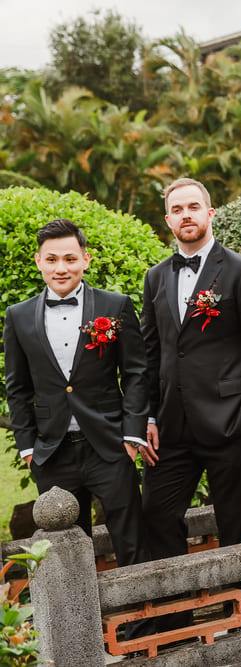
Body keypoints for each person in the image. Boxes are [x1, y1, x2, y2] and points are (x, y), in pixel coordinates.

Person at [140, 177, 241, 561]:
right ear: (168, 220)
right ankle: (181, 595)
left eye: (193, 207)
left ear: (210, 213)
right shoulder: (155, 277)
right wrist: (146, 415)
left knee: (234, 523)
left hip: (229, 420)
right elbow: (150, 353)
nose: (186, 215)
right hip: (170, 427)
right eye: (177, 210)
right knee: (156, 515)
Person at [5, 219, 148, 567]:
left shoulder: (115, 306)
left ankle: (141, 606)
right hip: (52, 453)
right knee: (67, 554)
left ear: (85, 259)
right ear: (38, 262)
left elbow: (136, 373)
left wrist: (131, 437)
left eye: (70, 258)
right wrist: (28, 449)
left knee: (131, 541)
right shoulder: (18, 316)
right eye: (52, 259)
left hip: (110, 446)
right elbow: (17, 386)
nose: (61, 268)